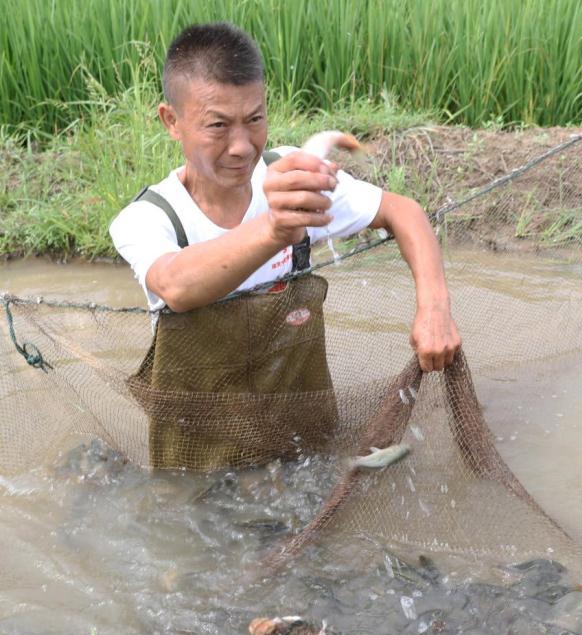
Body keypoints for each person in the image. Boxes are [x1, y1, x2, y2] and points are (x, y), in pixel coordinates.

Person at [110, 22, 461, 470]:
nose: (241, 146)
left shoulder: (292, 179)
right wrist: (277, 229)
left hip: (304, 436)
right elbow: (175, 285)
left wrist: (434, 306)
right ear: (172, 121)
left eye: (254, 119)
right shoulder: (150, 218)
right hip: (201, 456)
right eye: (217, 125)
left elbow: (403, 211)